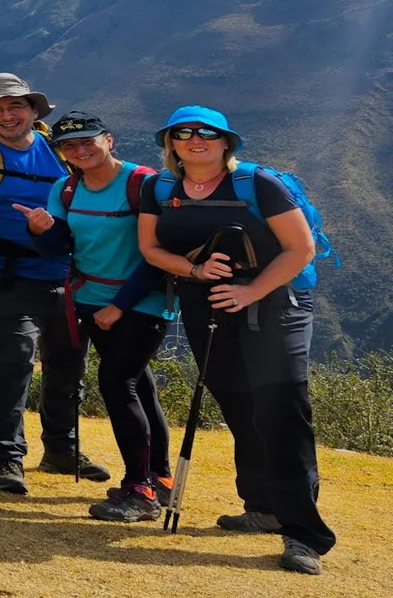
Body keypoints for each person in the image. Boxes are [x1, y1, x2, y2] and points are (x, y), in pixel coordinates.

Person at [135, 106, 333, 575]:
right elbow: (151, 248)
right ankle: (262, 506)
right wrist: (195, 270)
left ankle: (304, 533)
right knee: (238, 403)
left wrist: (250, 291)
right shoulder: (159, 189)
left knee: (281, 412)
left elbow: (300, 248)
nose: (195, 139)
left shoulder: (258, 183)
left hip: (276, 305)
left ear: (227, 141)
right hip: (206, 304)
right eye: (183, 133)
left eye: (207, 132)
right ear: (170, 143)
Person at [0, 72, 103, 494]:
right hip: (9, 275)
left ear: (34, 110)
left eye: (15, 106)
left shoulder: (59, 151)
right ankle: (6, 457)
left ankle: (62, 449)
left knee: (69, 364)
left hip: (69, 274)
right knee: (13, 363)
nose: (6, 115)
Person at [15, 112, 173, 522]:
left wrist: (119, 306)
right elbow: (59, 248)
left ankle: (139, 490)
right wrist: (40, 230)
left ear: (109, 140)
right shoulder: (66, 189)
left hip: (143, 301)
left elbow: (157, 255)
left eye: (88, 141)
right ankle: (159, 479)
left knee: (118, 382)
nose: (80, 150)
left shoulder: (145, 184)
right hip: (90, 300)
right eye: (69, 145)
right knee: (139, 384)